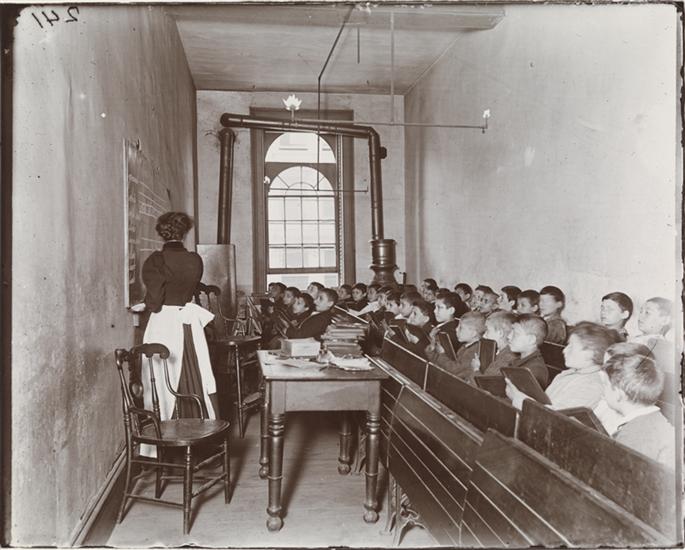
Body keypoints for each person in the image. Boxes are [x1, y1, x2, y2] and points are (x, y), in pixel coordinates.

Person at [131, 212, 217, 455]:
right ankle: (199, 441)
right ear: (184, 233)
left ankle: (161, 445)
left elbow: (155, 301)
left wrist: (144, 305)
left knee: (160, 380)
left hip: (163, 324)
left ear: (161, 233)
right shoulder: (194, 260)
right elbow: (184, 288)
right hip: (188, 325)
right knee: (194, 375)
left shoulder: (156, 261)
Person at [506, 322, 618, 411]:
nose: (564, 350)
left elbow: (556, 420)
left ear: (591, 353)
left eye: (571, 346)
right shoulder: (570, 373)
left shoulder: (592, 386)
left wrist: (520, 400)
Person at [599, 349, 675, 468]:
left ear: (619, 394)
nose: (601, 390)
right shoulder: (655, 420)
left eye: (605, 385)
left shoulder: (632, 437)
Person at [427, 311, 486, 382]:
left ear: (473, 333)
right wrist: (433, 346)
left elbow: (455, 371)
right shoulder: (465, 346)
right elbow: (442, 364)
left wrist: (442, 354)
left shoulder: (474, 351)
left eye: (461, 328)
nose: (456, 329)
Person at [631, 297, 673, 372]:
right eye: (641, 311)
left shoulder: (660, 346)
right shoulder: (638, 339)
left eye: (647, 313)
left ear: (664, 320)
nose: (640, 317)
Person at [505, 314, 549, 387]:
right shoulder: (518, 360)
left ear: (531, 340)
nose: (509, 336)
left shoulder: (534, 370)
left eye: (516, 334)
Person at [479, 311, 518, 375]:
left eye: (488, 331)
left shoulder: (506, 358)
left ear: (500, 333)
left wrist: (476, 369)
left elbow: (486, 379)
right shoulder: (498, 351)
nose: (484, 335)